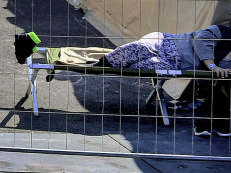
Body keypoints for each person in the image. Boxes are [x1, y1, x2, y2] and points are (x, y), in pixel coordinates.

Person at [95, 24, 231, 136]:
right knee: (140, 48)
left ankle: (111, 63)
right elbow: (201, 39)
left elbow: (224, 70)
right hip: (167, 42)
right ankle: (102, 63)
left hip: (175, 64)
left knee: (138, 67)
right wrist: (212, 66)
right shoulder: (222, 31)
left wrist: (221, 69)